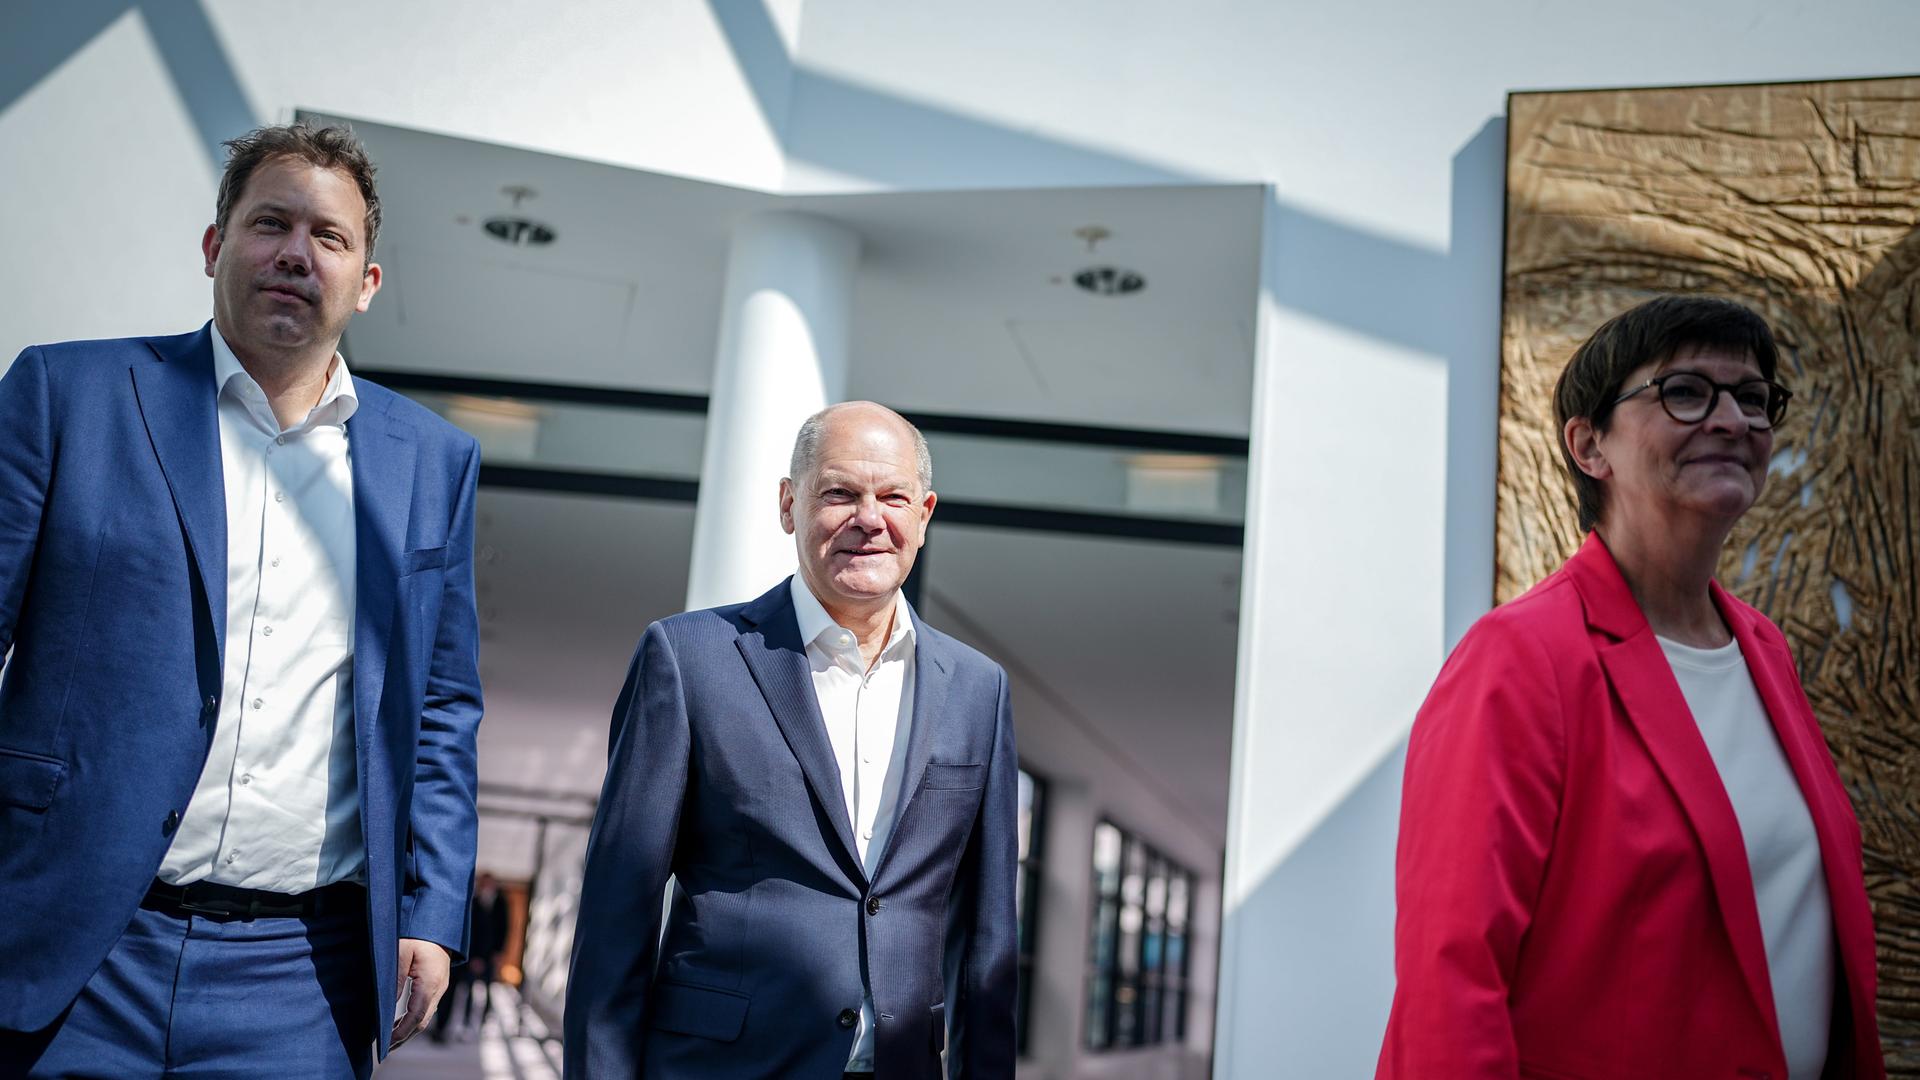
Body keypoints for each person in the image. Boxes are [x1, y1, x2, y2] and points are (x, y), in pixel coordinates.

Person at [0, 122, 484, 1078]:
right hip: (72, 940)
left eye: (330, 237)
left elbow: (439, 706)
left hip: (302, 976)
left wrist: (431, 909)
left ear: (368, 282)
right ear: (216, 246)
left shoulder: (433, 461)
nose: (297, 254)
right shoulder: (68, 393)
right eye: (271, 224)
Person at [1378, 295, 1884, 1078]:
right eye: (1685, 391)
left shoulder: (1764, 650)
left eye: (1753, 398)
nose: (1732, 420)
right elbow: (1451, 982)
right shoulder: (1519, 657)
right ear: (1589, 446)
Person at [565, 402, 1018, 1079]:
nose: (870, 519)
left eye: (892, 497)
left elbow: (988, 939)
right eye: (840, 493)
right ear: (789, 504)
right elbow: (615, 917)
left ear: (923, 515)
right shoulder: (689, 660)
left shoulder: (980, 689)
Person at [434, 871, 510, 1041]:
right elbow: (471, 932)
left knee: (486, 991)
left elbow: (504, 930)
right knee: (461, 990)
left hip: (490, 956)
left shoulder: (501, 902)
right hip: (469, 956)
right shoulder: (473, 902)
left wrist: (497, 953)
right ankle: (450, 1026)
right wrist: (473, 956)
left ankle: (478, 1025)